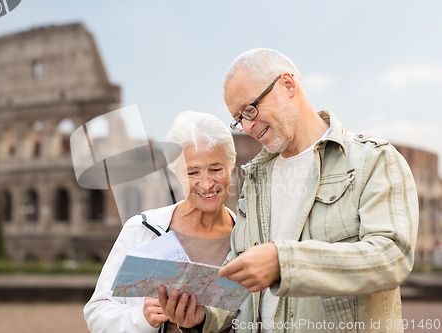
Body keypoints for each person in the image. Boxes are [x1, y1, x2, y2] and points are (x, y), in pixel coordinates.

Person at [159, 48, 419, 333]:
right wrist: (202, 317)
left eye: (250, 110)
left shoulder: (373, 160)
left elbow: (391, 257)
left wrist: (285, 262)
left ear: (288, 84)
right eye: (238, 119)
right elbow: (239, 279)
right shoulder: (255, 179)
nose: (247, 127)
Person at [84, 111, 237, 333]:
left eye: (215, 169)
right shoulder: (141, 229)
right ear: (176, 174)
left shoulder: (247, 235)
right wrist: (143, 318)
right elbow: (97, 312)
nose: (206, 183)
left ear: (231, 165)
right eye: (192, 172)